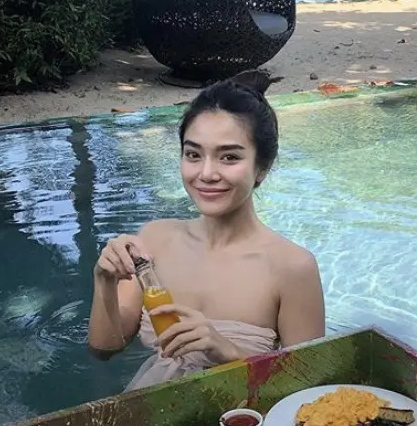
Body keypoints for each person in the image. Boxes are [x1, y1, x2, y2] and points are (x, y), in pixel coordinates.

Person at [88, 70, 326, 389]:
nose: (207, 173)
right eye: (193, 154)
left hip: (244, 417)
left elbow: (308, 386)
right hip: (152, 411)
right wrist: (104, 279)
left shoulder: (291, 267)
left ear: (262, 168)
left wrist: (229, 353)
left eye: (229, 157)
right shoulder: (155, 240)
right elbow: (105, 347)